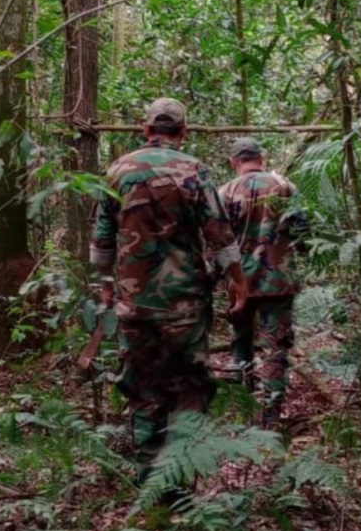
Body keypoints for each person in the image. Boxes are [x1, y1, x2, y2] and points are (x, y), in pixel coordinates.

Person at [90, 98, 248, 483]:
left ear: (145, 130)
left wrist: (105, 286)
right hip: (185, 305)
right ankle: (178, 486)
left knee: (144, 388)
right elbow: (219, 234)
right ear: (183, 132)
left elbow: (101, 239)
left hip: (134, 304)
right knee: (189, 388)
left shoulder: (117, 171)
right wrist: (238, 280)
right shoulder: (194, 170)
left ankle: (150, 479)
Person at [219, 137, 307, 427]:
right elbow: (303, 229)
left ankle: (242, 405)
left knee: (240, 340)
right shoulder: (284, 186)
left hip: (238, 280)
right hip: (277, 279)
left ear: (235, 162)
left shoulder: (225, 192)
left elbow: (216, 237)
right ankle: (271, 413)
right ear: (261, 158)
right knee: (275, 346)